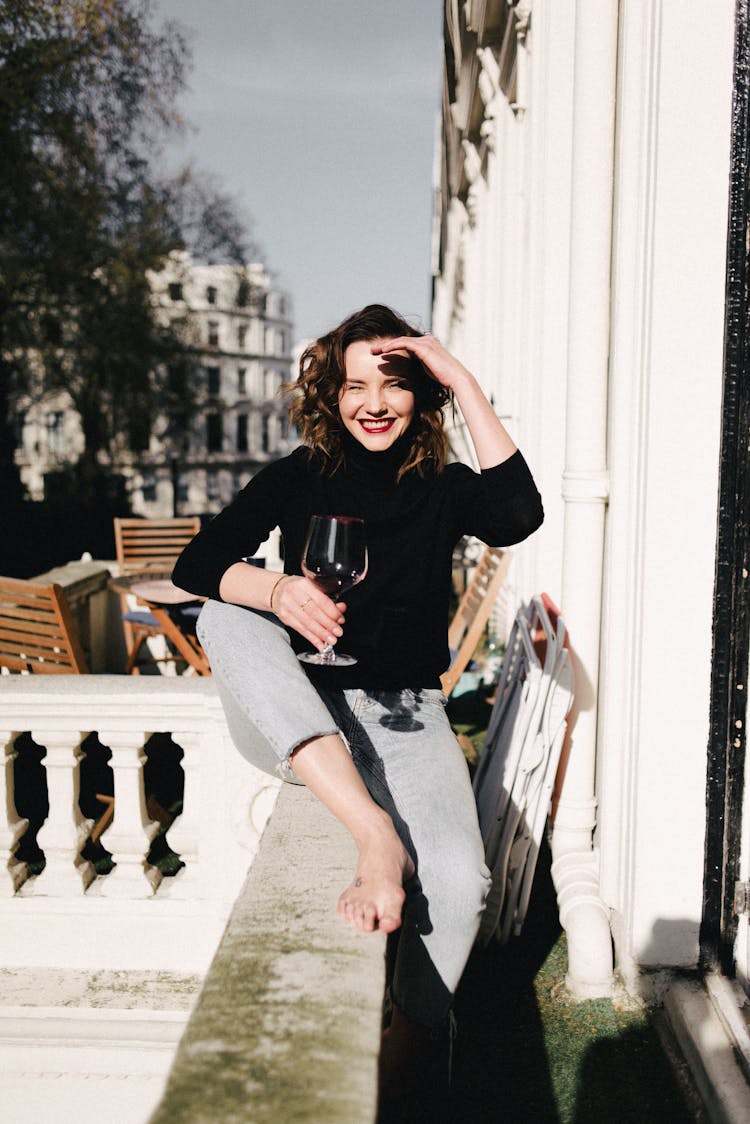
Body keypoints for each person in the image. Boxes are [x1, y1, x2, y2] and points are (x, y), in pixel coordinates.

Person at [172, 304, 543, 1121]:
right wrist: (276, 590)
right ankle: (376, 836)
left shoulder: (444, 488)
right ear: (330, 396)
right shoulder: (300, 474)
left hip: (405, 712)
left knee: (460, 880)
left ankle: (407, 1058)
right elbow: (196, 563)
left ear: (423, 394)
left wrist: (464, 379)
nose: (373, 402)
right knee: (229, 615)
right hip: (296, 711)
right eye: (353, 385)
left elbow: (518, 515)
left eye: (396, 384)